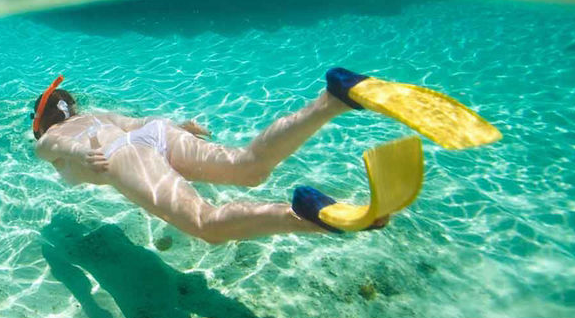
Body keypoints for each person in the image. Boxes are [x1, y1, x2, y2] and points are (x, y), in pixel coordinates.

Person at [31, 73, 382, 243]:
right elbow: (138, 124)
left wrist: (82, 152)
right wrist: (178, 127)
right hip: (154, 132)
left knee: (206, 224)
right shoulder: (98, 115)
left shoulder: (51, 135)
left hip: (117, 154)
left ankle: (302, 218)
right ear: (70, 107)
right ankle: (332, 99)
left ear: (42, 122)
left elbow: (50, 148)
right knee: (248, 166)